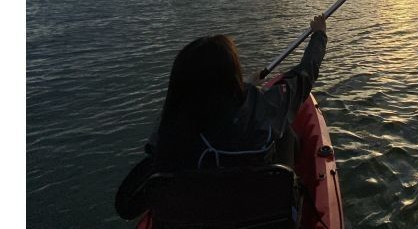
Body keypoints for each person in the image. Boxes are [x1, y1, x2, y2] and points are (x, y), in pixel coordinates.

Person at [115, 15, 328, 221]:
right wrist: (319, 35)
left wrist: (246, 87)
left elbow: (126, 207)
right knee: (286, 134)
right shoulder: (262, 106)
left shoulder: (169, 131)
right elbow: (305, 73)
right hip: (258, 214)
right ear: (232, 74)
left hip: (196, 215)